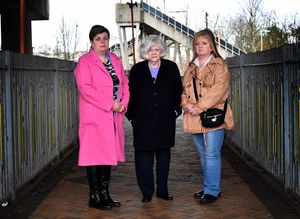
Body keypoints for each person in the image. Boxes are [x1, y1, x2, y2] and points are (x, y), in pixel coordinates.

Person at [74, 25, 130, 210]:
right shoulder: (85, 62)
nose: (103, 42)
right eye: (98, 38)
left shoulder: (114, 59)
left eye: (105, 38)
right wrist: (110, 104)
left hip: (113, 117)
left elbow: (124, 83)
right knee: (94, 157)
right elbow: (86, 89)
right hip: (95, 116)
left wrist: (123, 103)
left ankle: (105, 195)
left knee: (107, 156)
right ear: (92, 41)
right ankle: (95, 196)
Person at [125, 35, 182, 203]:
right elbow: (130, 94)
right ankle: (147, 192)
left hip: (165, 120)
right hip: (142, 121)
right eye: (150, 49)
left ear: (162, 51)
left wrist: (175, 111)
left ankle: (162, 191)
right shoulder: (137, 69)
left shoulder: (171, 68)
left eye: (157, 49)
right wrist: (132, 117)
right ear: (145, 52)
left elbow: (178, 91)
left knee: (164, 157)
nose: (154, 52)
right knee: (143, 158)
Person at [181, 29, 234, 204]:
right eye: (197, 44)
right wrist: (186, 104)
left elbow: (218, 91)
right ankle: (209, 187)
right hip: (193, 116)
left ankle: (212, 190)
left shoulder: (220, 66)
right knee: (203, 154)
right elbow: (184, 91)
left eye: (204, 43)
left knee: (211, 154)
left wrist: (199, 107)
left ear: (211, 46)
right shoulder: (191, 67)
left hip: (213, 115)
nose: (200, 47)